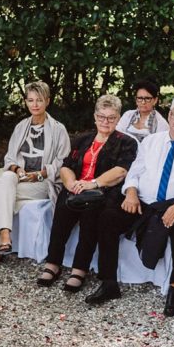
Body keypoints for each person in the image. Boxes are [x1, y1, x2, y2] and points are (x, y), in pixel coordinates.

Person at [86, 95, 174, 317]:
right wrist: (131, 192)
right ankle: (108, 283)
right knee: (108, 216)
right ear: (169, 114)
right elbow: (134, 172)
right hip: (143, 203)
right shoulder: (151, 141)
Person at [37, 95, 138, 291]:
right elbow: (65, 167)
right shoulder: (82, 140)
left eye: (110, 118)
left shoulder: (126, 142)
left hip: (104, 192)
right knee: (63, 207)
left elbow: (121, 171)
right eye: (101, 117)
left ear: (118, 119)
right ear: (95, 117)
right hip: (77, 189)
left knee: (92, 214)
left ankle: (79, 268)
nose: (105, 122)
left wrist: (93, 183)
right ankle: (53, 262)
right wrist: (72, 183)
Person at [0, 81, 69, 270]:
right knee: (5, 181)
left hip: (43, 182)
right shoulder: (21, 127)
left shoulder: (58, 129)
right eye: (30, 100)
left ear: (48, 101)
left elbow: (63, 161)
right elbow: (10, 158)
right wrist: (18, 170)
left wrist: (41, 174)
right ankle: (4, 234)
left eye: (39, 100)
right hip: (20, 179)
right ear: (26, 102)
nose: (34, 105)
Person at [117, 78, 168, 143]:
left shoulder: (161, 123)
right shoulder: (128, 115)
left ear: (155, 100)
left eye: (147, 98)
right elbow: (117, 136)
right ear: (136, 99)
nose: (143, 102)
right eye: (140, 98)